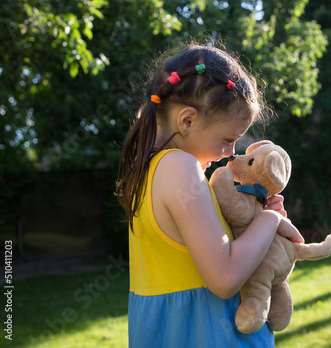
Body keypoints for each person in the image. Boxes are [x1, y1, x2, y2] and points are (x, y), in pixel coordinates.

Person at [116, 43, 304, 347]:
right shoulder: (179, 167)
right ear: (187, 121)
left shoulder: (154, 170)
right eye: (228, 139)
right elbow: (225, 277)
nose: (230, 153)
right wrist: (269, 220)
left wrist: (252, 218)